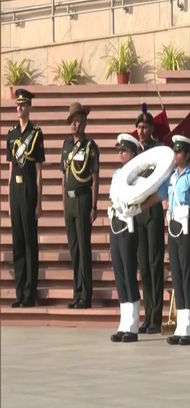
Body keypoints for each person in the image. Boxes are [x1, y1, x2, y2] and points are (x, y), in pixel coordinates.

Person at [123, 135, 190, 346]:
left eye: (178, 152)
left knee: (187, 278)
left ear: (186, 155)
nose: (175, 155)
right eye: (174, 151)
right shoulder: (172, 178)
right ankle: (180, 326)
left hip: (187, 230)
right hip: (174, 230)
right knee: (177, 277)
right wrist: (138, 207)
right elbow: (158, 197)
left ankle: (189, 328)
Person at [6, 89, 45, 308]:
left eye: (23, 105)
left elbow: (39, 171)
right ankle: (20, 292)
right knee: (18, 243)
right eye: (17, 105)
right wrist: (8, 198)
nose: (19, 108)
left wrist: (39, 202)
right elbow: (10, 169)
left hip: (30, 190)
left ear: (29, 106)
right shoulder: (11, 134)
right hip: (16, 192)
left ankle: (30, 293)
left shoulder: (36, 133)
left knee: (30, 243)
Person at [60, 102, 99, 309]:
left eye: (77, 120)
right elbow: (64, 177)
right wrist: (63, 203)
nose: (74, 124)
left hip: (84, 199)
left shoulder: (90, 146)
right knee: (74, 249)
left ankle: (86, 294)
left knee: (84, 247)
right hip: (70, 200)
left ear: (84, 122)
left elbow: (95, 176)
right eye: (72, 121)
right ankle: (77, 292)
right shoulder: (66, 146)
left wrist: (94, 206)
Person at [135, 104, 166, 335]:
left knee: (155, 264)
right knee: (143, 266)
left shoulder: (159, 150)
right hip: (139, 213)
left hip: (154, 210)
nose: (140, 130)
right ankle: (147, 315)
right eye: (138, 126)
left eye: (144, 126)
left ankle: (156, 317)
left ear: (151, 128)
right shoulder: (134, 151)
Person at [109, 134, 143, 343]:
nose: (120, 154)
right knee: (119, 272)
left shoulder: (137, 176)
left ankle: (133, 325)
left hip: (129, 223)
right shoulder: (116, 174)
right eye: (119, 150)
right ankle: (124, 323)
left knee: (129, 272)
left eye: (124, 151)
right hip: (116, 223)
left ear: (133, 153)